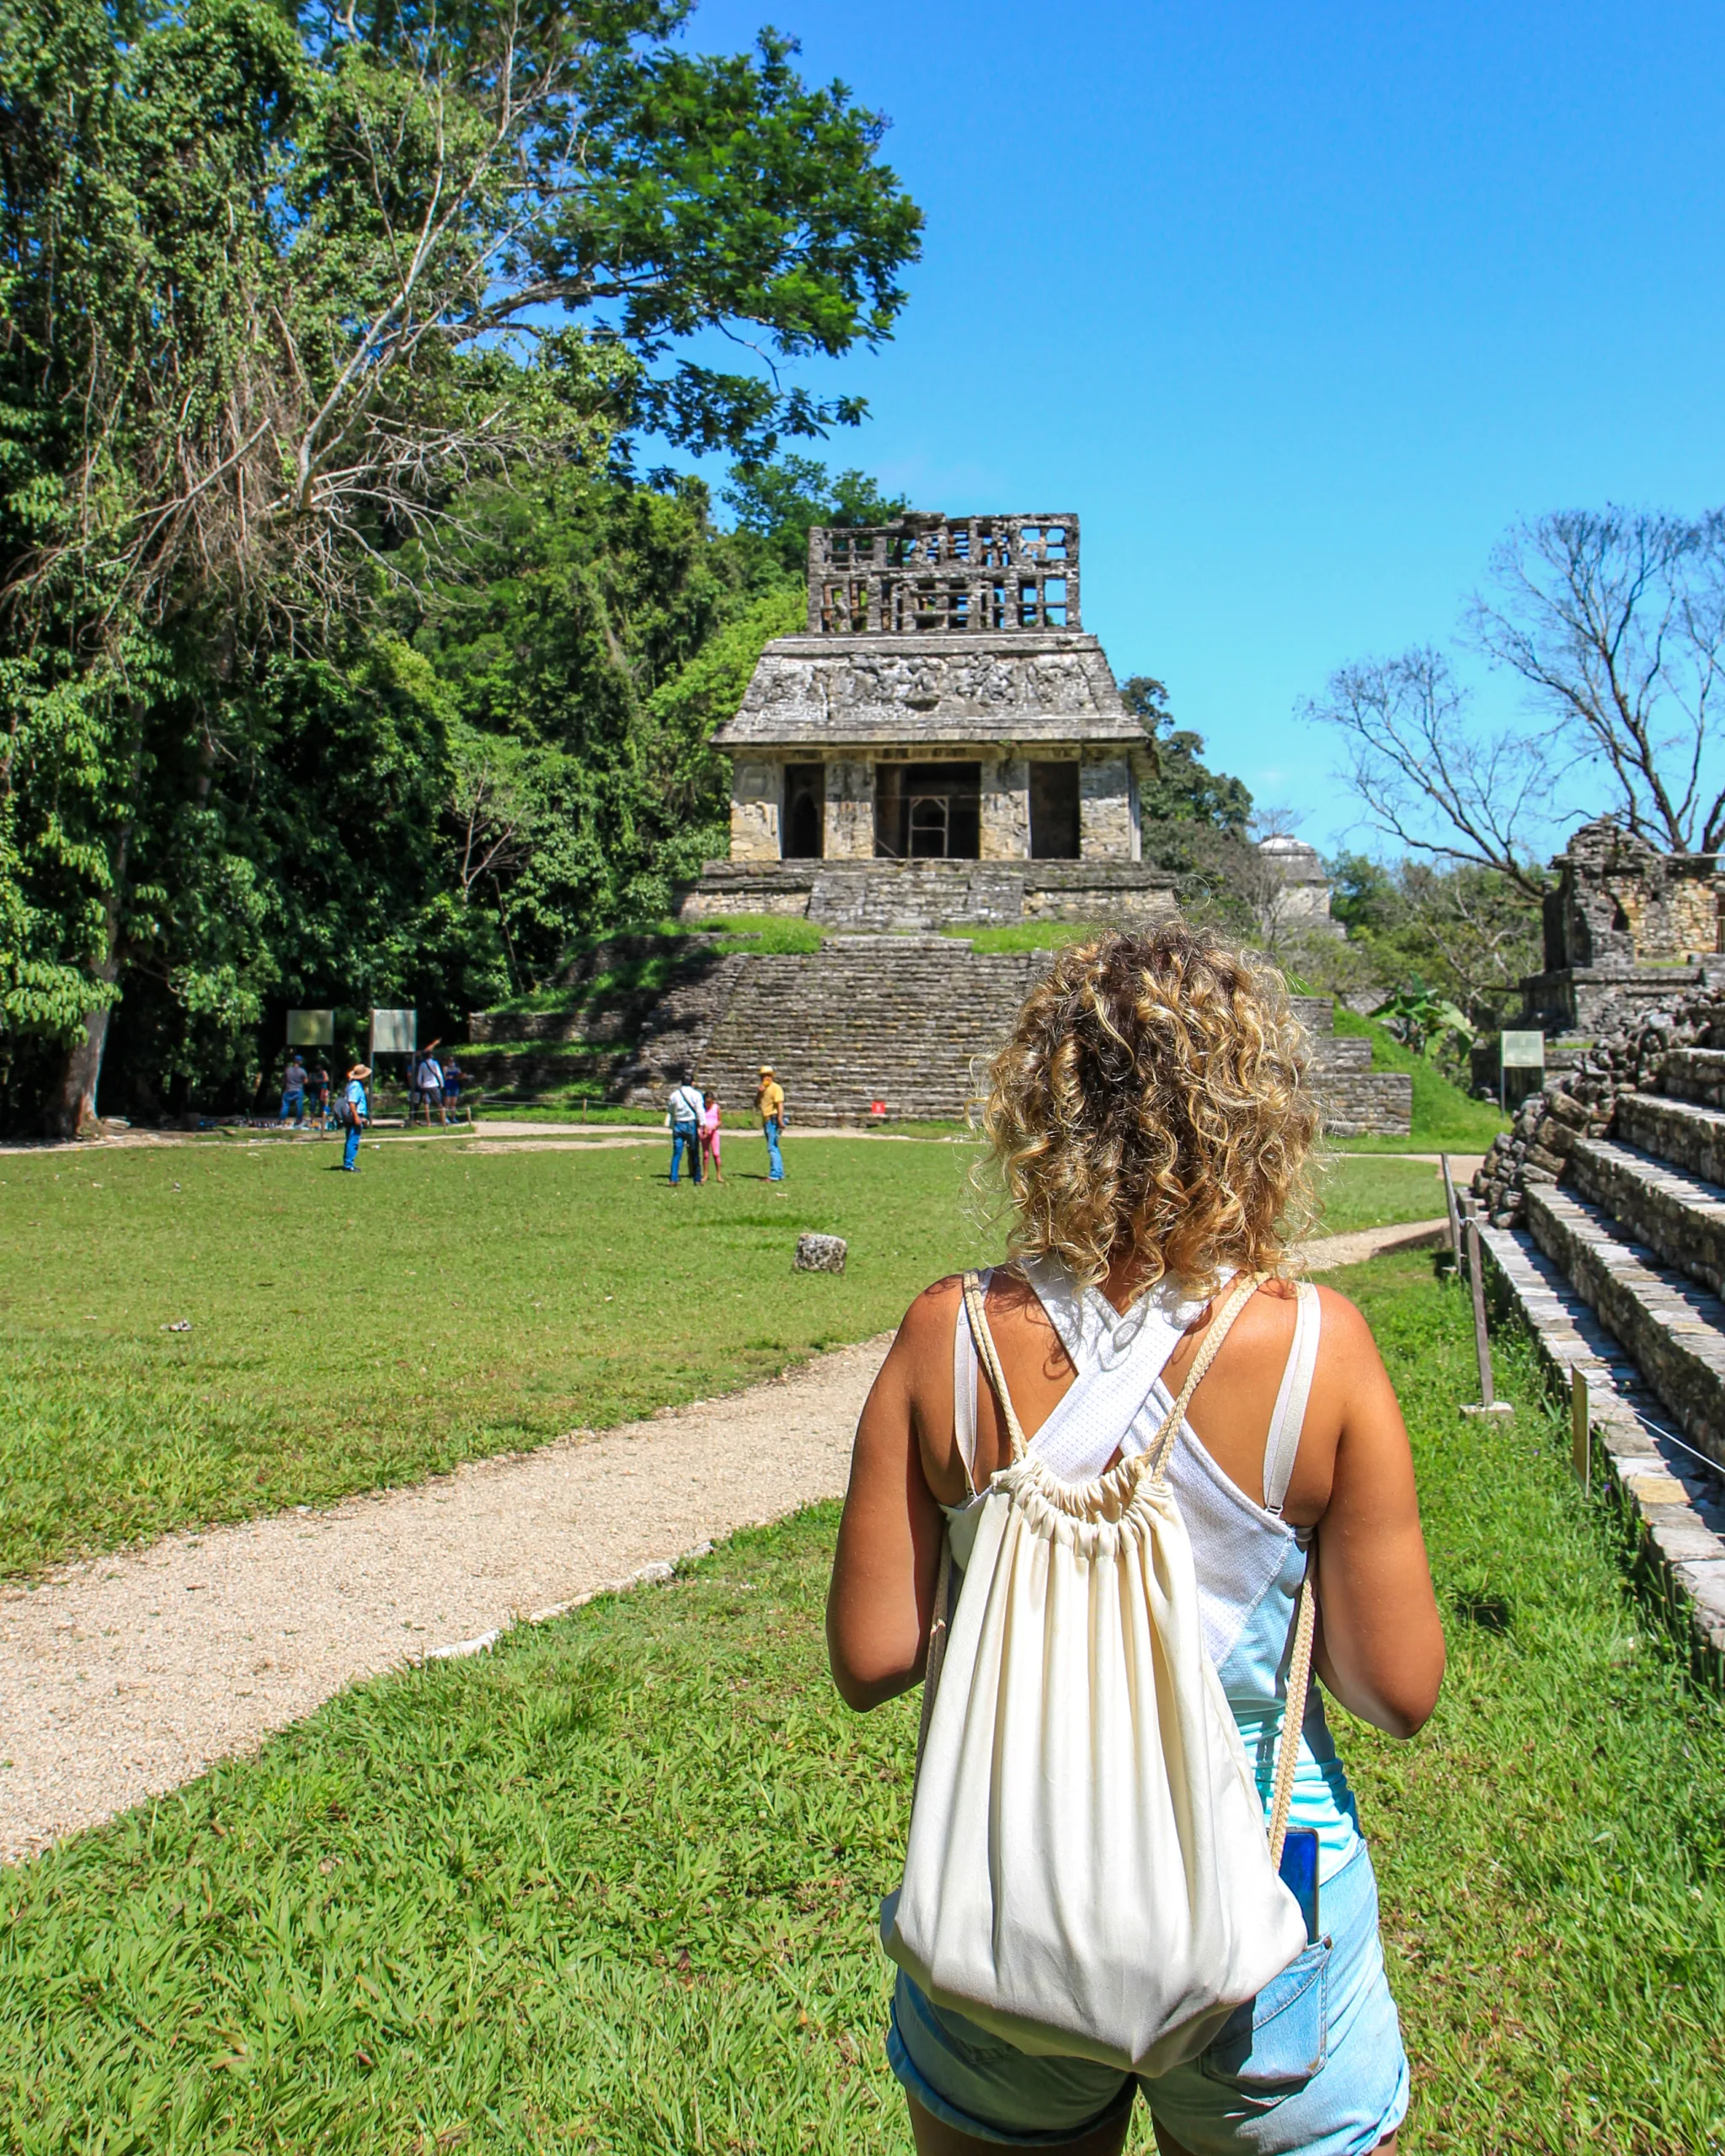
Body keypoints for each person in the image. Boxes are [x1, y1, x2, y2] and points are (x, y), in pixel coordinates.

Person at [826, 925, 1445, 2156]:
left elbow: (873, 1659)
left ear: (1041, 1105)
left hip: (1012, 1899)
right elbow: (1395, 1692)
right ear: (1258, 1111)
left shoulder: (948, 1333)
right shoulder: (1317, 1348)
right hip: (1262, 1900)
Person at [667, 1077, 705, 1186]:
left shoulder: (675, 1094)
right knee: (694, 1152)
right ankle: (697, 1178)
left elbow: (670, 1109)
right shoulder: (696, 1094)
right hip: (691, 1123)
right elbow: (700, 1110)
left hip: (678, 1123)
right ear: (692, 1083)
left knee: (677, 1153)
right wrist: (702, 1124)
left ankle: (673, 1178)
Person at [756, 1064, 785, 1182]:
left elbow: (780, 1104)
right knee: (774, 1147)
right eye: (763, 1076)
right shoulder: (763, 1089)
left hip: (772, 1119)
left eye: (768, 1075)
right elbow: (756, 1104)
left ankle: (775, 1174)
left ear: (772, 1077)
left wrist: (780, 1119)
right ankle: (779, 1172)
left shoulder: (776, 1088)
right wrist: (759, 1093)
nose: (765, 1078)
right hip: (766, 1120)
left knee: (772, 1147)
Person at [339, 1063, 371, 1171]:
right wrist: (356, 1116)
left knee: (351, 1138)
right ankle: (349, 1164)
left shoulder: (351, 1084)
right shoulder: (356, 1086)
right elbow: (352, 1102)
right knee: (353, 1139)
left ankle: (348, 1162)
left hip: (351, 1114)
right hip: (354, 1114)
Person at [417, 1043, 446, 1127]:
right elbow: (439, 1074)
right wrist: (442, 1084)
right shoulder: (435, 1063)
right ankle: (443, 1120)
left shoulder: (422, 1064)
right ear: (430, 1056)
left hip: (425, 1086)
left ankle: (428, 1122)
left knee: (426, 1104)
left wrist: (420, 1084)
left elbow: (419, 1076)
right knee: (439, 1103)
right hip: (434, 1085)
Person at [700, 1089, 724, 1184]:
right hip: (704, 1133)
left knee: (716, 1154)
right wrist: (703, 1128)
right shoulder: (702, 1109)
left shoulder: (716, 1108)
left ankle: (719, 1175)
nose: (708, 1104)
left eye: (710, 1102)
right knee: (706, 1154)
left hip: (714, 1133)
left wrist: (714, 1126)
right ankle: (705, 1174)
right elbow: (699, 1121)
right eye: (706, 1102)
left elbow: (720, 1121)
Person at [279, 1053, 308, 1127]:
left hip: (288, 1089)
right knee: (299, 1106)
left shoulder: (288, 1070)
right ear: (300, 1062)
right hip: (298, 1090)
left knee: (285, 1105)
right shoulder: (302, 1071)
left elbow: (284, 1080)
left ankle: (282, 1120)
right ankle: (298, 1121)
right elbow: (305, 1081)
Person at [441, 1054, 463, 1122]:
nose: (451, 1062)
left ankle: (453, 1117)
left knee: (453, 1103)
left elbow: (460, 1075)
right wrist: (448, 1077)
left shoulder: (456, 1067)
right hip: (448, 1086)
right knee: (447, 1103)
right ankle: (445, 1117)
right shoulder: (445, 1067)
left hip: (455, 1086)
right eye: (450, 1060)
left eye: (452, 1060)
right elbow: (444, 1077)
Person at [312, 1059, 332, 1131]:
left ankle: (325, 1117)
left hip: (323, 1089)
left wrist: (319, 1081)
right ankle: (314, 1118)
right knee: (314, 1103)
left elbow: (327, 1079)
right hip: (316, 1090)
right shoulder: (314, 1074)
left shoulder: (323, 1072)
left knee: (324, 1103)